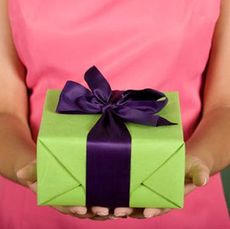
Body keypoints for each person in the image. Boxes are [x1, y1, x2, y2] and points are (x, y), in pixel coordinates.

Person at [0, 0, 229, 228]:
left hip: (185, 205)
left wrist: (200, 160)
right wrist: (32, 168)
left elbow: (224, 107)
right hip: (34, 205)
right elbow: (5, 111)